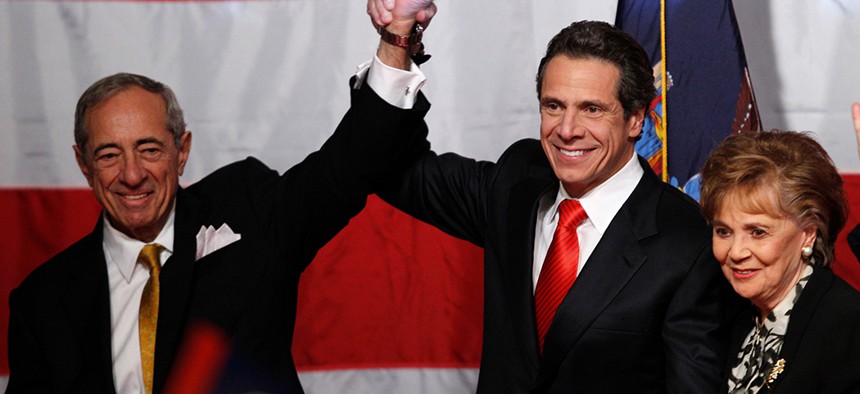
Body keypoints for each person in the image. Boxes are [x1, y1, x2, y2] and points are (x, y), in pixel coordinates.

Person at [5, 5, 437, 391]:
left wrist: (396, 38)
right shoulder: (43, 302)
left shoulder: (248, 209)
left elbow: (351, 164)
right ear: (83, 163)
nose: (132, 174)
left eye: (150, 149)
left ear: (182, 151)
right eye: (109, 154)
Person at [367, 2, 736, 392]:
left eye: (592, 109)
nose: (567, 130)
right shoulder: (517, 180)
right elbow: (385, 164)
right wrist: (397, 40)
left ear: (636, 119)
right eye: (554, 106)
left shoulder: (688, 243)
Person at [700, 130, 860, 392]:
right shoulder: (732, 315)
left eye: (758, 232)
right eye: (724, 231)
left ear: (807, 234)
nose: (737, 252)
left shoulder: (847, 326)